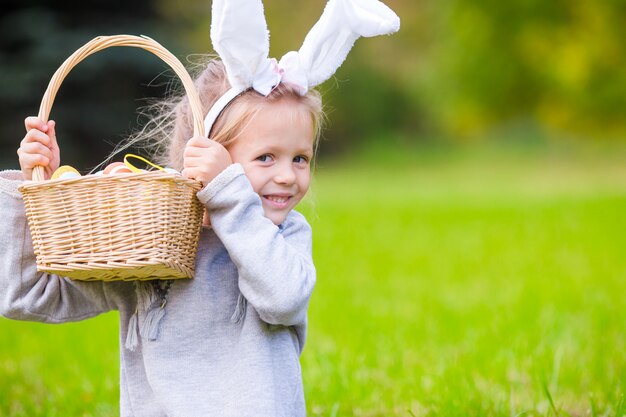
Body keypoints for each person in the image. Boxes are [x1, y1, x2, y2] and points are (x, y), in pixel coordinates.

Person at [0, 0, 399, 416]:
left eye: (300, 158)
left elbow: (282, 299)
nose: (287, 175)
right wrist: (32, 188)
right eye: (266, 157)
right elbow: (27, 296)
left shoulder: (284, 236)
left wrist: (229, 195)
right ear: (205, 157)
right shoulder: (152, 241)